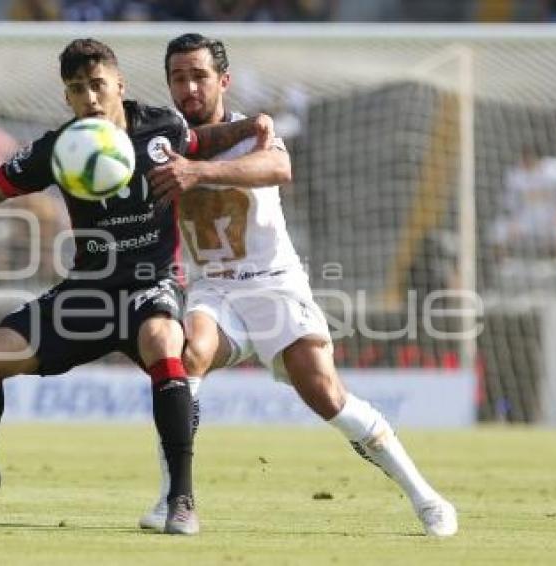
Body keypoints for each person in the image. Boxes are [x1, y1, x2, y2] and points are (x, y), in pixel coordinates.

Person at [0, 38, 272, 535]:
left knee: (163, 341)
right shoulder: (59, 149)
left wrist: (250, 126)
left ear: (119, 85)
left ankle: (182, 498)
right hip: (88, 291)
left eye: (97, 85)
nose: (89, 98)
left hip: (152, 284)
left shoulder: (162, 127)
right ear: (67, 97)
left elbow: (202, 142)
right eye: (77, 89)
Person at [137, 33, 458, 537]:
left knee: (325, 394)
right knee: (186, 356)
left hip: (274, 285)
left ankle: (425, 495)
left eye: (199, 76)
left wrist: (197, 173)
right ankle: (173, 497)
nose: (189, 87)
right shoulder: (162, 144)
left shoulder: (252, 133)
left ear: (223, 80)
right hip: (213, 291)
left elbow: (279, 167)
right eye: (179, 78)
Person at [489, 146, 556, 258]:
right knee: (498, 230)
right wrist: (514, 220)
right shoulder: (516, 174)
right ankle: (503, 268)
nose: (527, 161)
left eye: (530, 158)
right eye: (525, 158)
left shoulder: (554, 169)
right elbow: (509, 204)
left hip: (552, 217)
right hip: (526, 219)